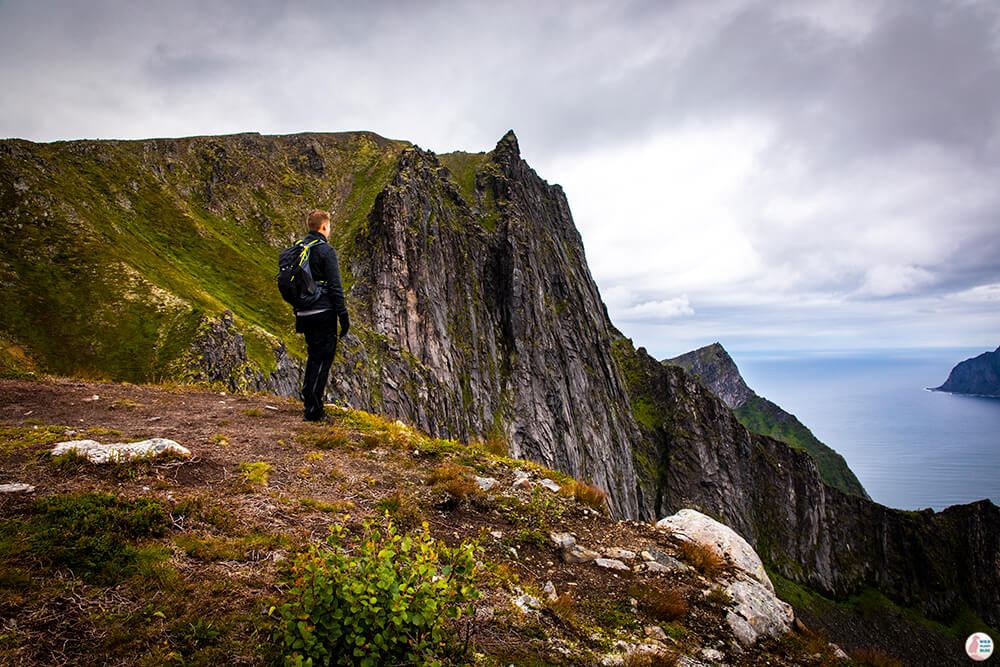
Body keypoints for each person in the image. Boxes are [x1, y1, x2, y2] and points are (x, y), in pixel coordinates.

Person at [295, 209, 349, 421]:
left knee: (313, 355)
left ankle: (309, 397)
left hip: (303, 312)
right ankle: (314, 408)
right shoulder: (326, 251)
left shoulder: (299, 249)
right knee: (324, 357)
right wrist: (343, 317)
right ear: (324, 227)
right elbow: (336, 287)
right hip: (323, 312)